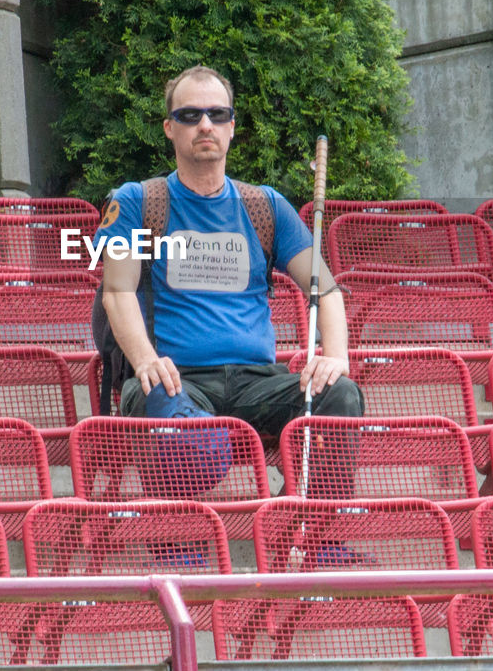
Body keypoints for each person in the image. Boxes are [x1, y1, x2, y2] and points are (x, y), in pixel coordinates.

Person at [97, 65, 362, 437]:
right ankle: (203, 460)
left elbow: (327, 290)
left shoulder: (265, 205)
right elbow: (117, 292)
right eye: (190, 115)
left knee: (341, 394)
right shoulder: (138, 202)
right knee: (181, 424)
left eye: (217, 114)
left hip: (259, 385)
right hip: (177, 381)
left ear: (232, 126)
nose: (205, 125)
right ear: (169, 128)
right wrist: (145, 361)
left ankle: (323, 499)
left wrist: (335, 357)